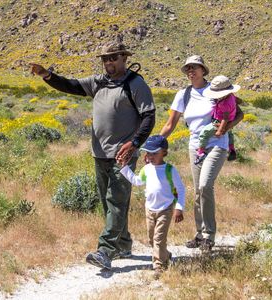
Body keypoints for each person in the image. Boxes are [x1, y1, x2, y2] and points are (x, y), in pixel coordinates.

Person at [30, 41, 156, 270]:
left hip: (123, 155)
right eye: (105, 58)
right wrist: (47, 75)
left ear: (124, 58)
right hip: (99, 153)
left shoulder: (135, 84)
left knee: (116, 201)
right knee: (109, 205)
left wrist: (134, 143)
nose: (108, 62)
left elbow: (149, 116)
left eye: (113, 58)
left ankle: (105, 251)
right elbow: (71, 85)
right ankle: (124, 244)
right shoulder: (98, 82)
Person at [160, 55, 243, 251]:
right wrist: (156, 143)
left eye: (195, 67)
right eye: (188, 68)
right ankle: (200, 234)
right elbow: (170, 124)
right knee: (198, 190)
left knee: (205, 185)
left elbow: (239, 113)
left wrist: (225, 128)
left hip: (217, 144)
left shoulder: (215, 89)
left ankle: (209, 235)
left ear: (203, 70)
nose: (191, 71)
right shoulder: (183, 94)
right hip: (196, 146)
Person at [119, 135, 185, 277]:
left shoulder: (170, 170)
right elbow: (137, 181)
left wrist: (179, 207)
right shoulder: (147, 169)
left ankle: (159, 266)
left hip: (165, 209)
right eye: (148, 152)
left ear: (164, 153)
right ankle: (165, 254)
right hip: (149, 209)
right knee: (151, 239)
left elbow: (180, 189)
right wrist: (125, 168)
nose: (150, 156)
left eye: (154, 153)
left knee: (158, 239)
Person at [194, 75, 240, 164]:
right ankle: (231, 149)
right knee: (230, 134)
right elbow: (236, 100)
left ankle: (201, 152)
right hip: (231, 120)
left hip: (219, 122)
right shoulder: (231, 96)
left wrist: (220, 130)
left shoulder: (224, 103)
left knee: (204, 133)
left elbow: (225, 118)